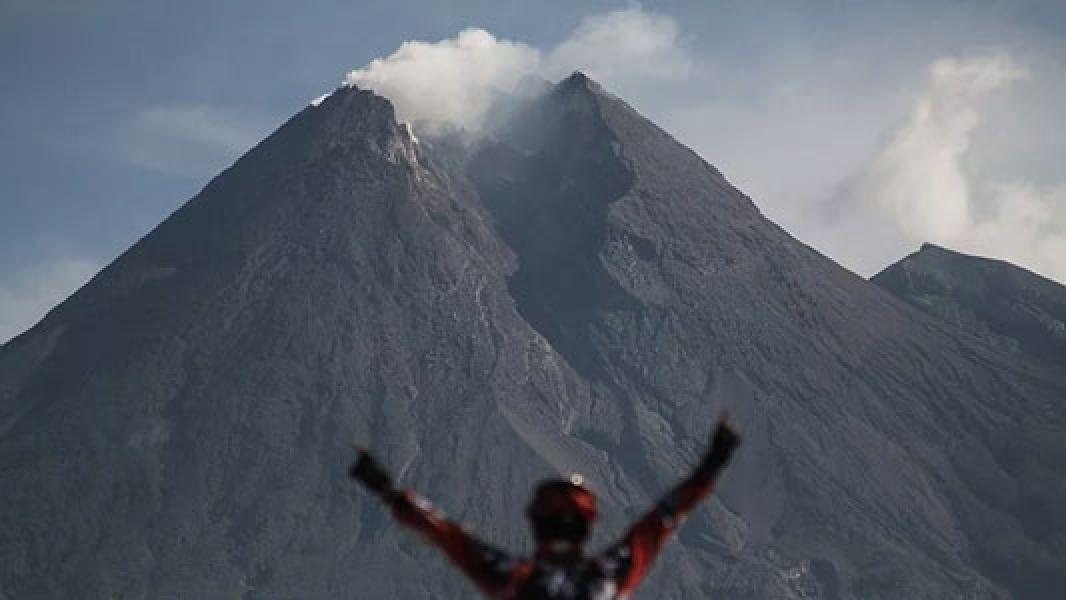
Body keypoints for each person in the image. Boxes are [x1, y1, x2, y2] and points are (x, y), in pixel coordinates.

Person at [349, 414, 740, 599]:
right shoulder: (610, 575)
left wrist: (387, 490)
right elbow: (663, 519)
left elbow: (444, 533)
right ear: (587, 525)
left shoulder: (513, 578)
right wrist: (711, 466)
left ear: (536, 523)